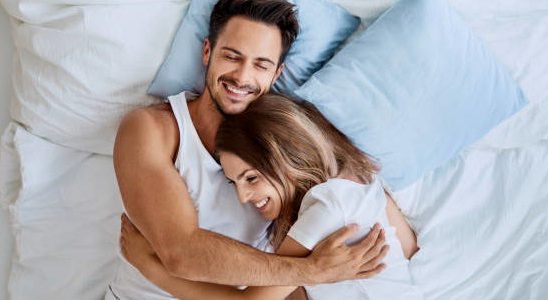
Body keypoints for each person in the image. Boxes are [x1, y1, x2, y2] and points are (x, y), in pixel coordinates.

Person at [107, 0, 387, 299]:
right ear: (207, 52)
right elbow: (180, 252)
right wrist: (312, 270)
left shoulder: (288, 148)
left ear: (276, 74)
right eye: (232, 56)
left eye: (260, 65)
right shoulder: (153, 129)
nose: (242, 77)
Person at [119, 94, 423, 299]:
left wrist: (151, 267)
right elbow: (408, 248)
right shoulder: (364, 185)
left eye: (251, 178)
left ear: (286, 157)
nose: (243, 197)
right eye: (234, 182)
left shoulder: (329, 206)